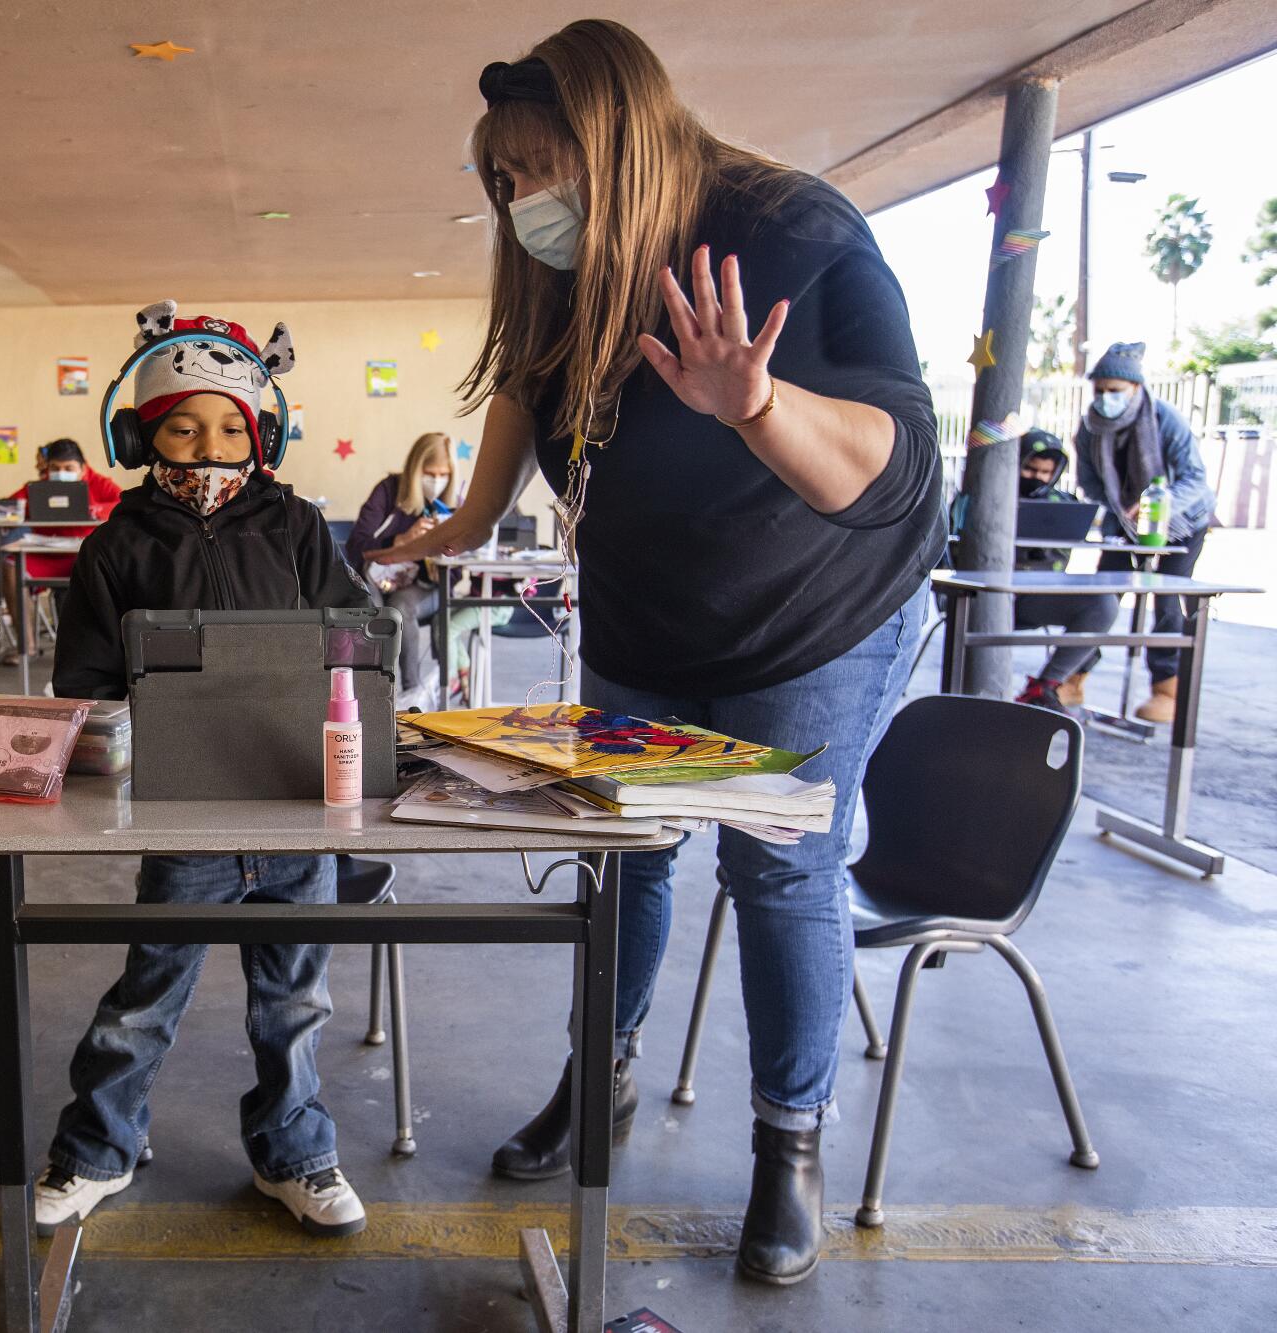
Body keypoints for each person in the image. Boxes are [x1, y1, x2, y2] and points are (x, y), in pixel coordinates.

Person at [369, 21, 943, 1285]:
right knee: (622, 857)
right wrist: (466, 520)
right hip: (646, 616)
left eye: (536, 168)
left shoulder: (794, 230)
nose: (520, 200)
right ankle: (598, 1084)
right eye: (501, 178)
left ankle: (786, 1147)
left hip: (812, 619)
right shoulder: (566, 261)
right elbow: (528, 374)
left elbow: (896, 468)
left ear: (617, 143)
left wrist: (755, 403)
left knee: (777, 867)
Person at [34, 301, 374, 1240]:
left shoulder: (298, 526)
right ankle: (99, 1145)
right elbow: (88, 684)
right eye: (182, 424)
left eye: (230, 426)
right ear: (141, 432)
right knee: (146, 996)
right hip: (182, 813)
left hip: (292, 807)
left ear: (263, 433)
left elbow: (358, 629)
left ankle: (294, 1153)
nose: (207, 444)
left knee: (295, 1002)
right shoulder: (115, 546)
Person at [1073, 341, 1215, 724]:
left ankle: (1166, 689)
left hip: (1182, 521)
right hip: (1126, 519)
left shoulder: (1165, 419)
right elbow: (1089, 482)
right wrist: (1124, 507)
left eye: (1114, 391)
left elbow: (1196, 479)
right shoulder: (1090, 428)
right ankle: (1072, 675)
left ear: (1135, 389)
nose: (1105, 398)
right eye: (1099, 390)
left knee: (1169, 600)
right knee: (1100, 595)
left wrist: (1158, 504)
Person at [999, 433, 1120, 713]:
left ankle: (1045, 688)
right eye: (1030, 469)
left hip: (1036, 597)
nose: (1037, 478)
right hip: (984, 596)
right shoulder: (985, 493)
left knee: (1103, 604)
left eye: (1045, 472)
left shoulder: (1064, 503)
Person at [345, 433, 459, 704]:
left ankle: (411, 694)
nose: (436, 481)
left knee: (400, 609)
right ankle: (375, 690)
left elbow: (454, 574)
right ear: (414, 468)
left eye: (444, 474)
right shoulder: (388, 491)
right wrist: (402, 541)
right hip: (378, 576)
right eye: (429, 473)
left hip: (422, 587)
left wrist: (436, 549)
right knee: (374, 607)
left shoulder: (453, 505)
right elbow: (356, 546)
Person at [1, 438, 123, 658]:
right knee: (11, 565)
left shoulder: (99, 483)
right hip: (46, 554)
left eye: (68, 468)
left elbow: (121, 502)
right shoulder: (41, 486)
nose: (61, 473)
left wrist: (96, 509)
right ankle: (25, 645)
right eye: (55, 468)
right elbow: (11, 506)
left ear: (83, 467)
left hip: (83, 555)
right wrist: (18, 510)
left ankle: (97, 652)